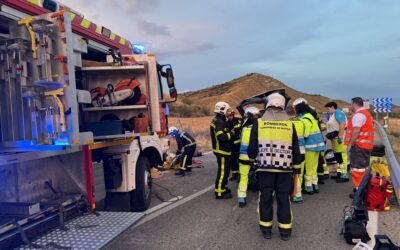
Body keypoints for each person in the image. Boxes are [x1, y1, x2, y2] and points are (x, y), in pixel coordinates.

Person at [248, 92, 302, 241]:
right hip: (285, 170)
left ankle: (266, 230)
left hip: (265, 170)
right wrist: (296, 168)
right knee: (283, 198)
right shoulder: (290, 124)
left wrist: (254, 158)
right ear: (282, 106)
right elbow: (296, 150)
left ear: (267, 105)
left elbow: (251, 151)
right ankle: (285, 231)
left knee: (265, 198)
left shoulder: (259, 123)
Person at [293, 98, 326, 194]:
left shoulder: (305, 119)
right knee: (313, 167)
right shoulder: (311, 116)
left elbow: (305, 134)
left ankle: (308, 187)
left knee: (308, 167)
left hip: (310, 146)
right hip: (318, 146)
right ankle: (314, 185)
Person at [345, 97, 374, 198]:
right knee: (363, 168)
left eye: (351, 104)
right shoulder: (366, 113)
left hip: (359, 146)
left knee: (357, 169)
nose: (350, 106)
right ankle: (363, 188)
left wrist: (350, 145)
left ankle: (359, 191)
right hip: (366, 146)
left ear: (355, 104)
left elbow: (356, 131)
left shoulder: (358, 115)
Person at [237, 107, 260, 208]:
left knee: (243, 177)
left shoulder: (244, 129)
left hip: (243, 157)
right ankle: (262, 195)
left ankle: (241, 198)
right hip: (255, 157)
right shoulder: (259, 129)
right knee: (261, 176)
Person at [210, 101, 233, 199]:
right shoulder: (219, 122)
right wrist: (230, 134)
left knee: (226, 171)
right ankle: (219, 192)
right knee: (223, 172)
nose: (229, 112)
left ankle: (222, 187)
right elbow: (221, 136)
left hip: (222, 150)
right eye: (227, 110)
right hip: (221, 151)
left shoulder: (219, 120)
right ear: (222, 110)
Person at [324, 101, 350, 183]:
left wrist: (340, 136)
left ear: (332, 107)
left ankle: (344, 175)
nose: (327, 110)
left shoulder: (338, 113)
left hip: (339, 138)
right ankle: (339, 173)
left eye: (328, 108)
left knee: (342, 156)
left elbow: (342, 124)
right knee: (338, 156)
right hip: (334, 138)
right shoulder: (332, 115)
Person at [227, 111, 242, 181]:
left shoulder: (237, 121)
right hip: (231, 144)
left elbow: (239, 128)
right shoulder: (227, 122)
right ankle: (234, 175)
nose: (229, 117)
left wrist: (234, 130)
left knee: (238, 160)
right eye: (228, 116)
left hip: (238, 144)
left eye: (230, 116)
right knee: (232, 160)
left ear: (233, 115)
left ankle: (240, 175)